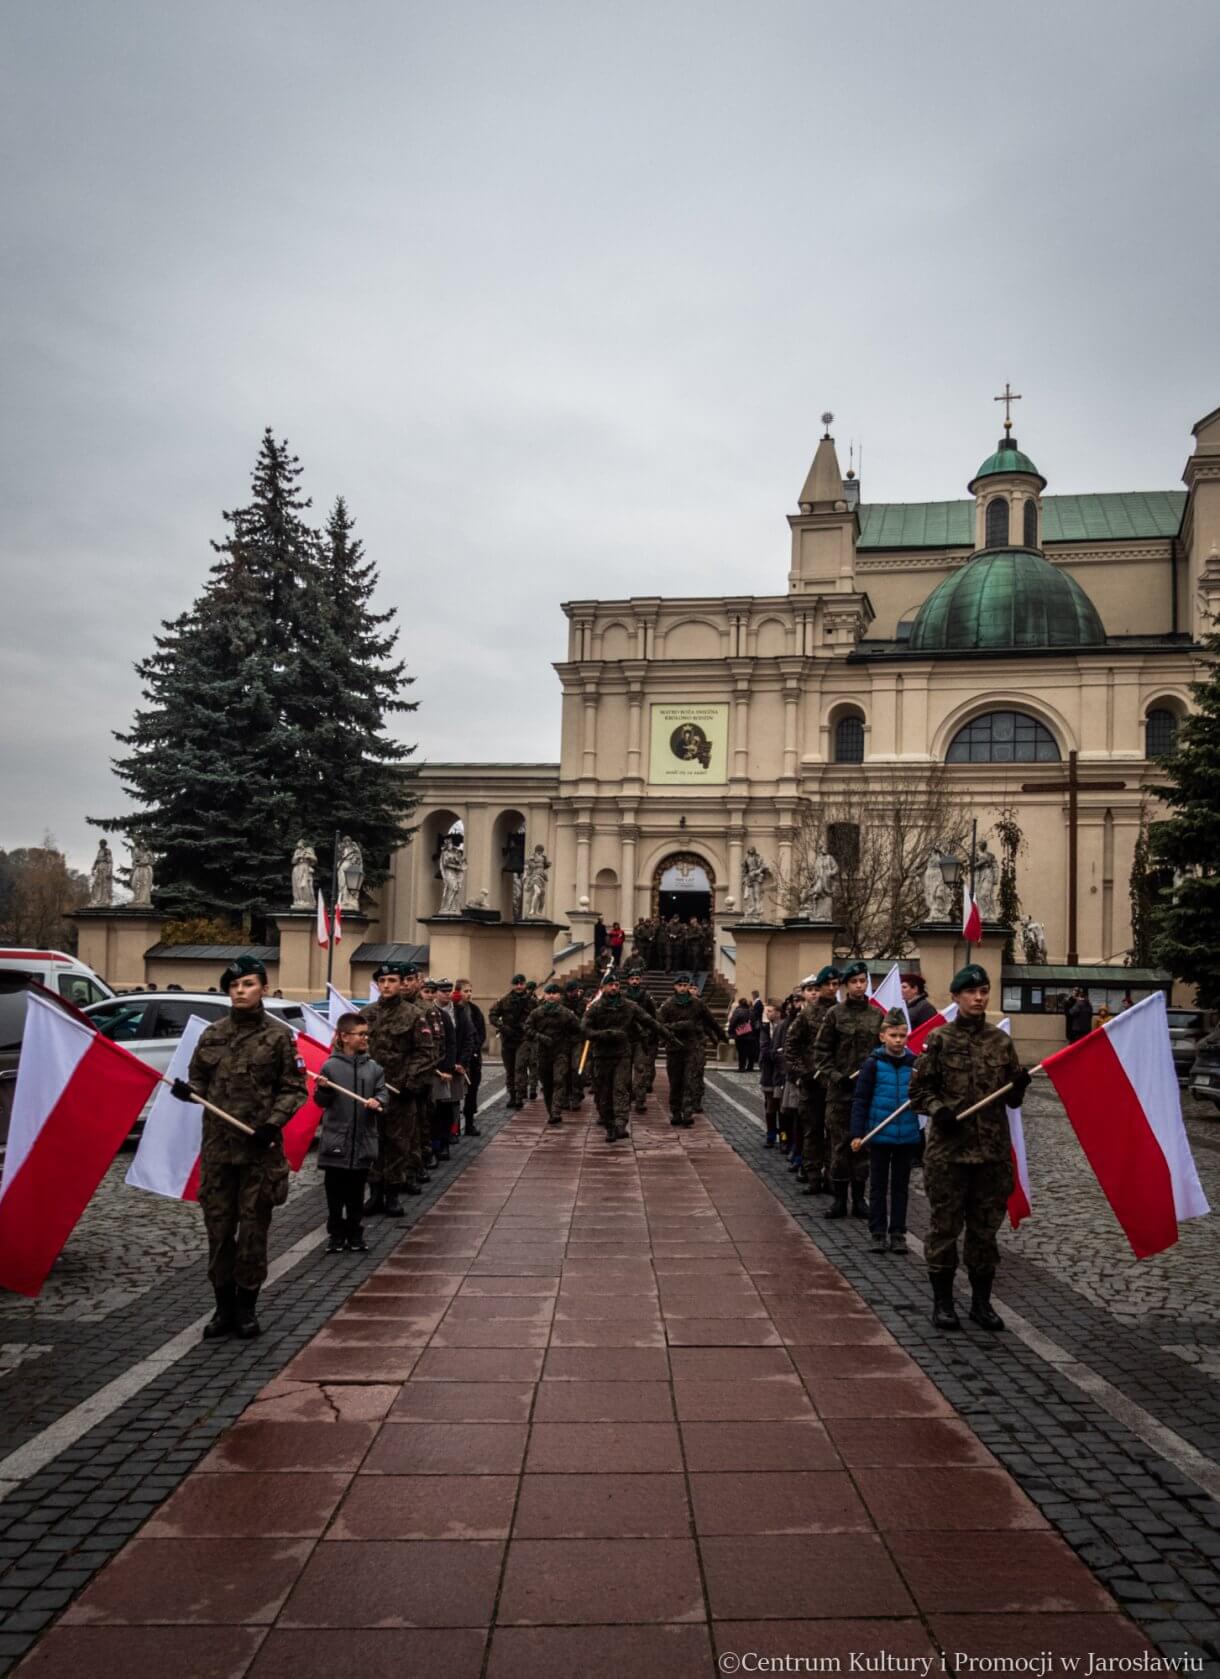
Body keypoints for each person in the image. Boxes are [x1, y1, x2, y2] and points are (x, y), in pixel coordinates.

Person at [184, 956, 306, 1341]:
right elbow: (198, 1078)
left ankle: (247, 1307)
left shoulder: (279, 1037)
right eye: (234, 986)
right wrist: (189, 1092)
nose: (240, 991)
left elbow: (294, 1088)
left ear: (264, 989)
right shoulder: (212, 1035)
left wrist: (272, 1123)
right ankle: (223, 1307)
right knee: (219, 1233)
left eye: (248, 984)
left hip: (259, 1153)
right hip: (219, 1152)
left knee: (252, 1232)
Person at [909, 963, 1029, 1333]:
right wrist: (938, 1110)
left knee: (984, 1233)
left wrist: (1019, 1085)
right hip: (949, 1155)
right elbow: (918, 1091)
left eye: (983, 991)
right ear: (956, 997)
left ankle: (981, 1303)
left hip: (991, 1155)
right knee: (944, 1229)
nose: (979, 998)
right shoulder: (940, 1039)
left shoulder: (1000, 1042)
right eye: (971, 993)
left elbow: (1011, 1100)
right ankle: (943, 1303)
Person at [363, 962, 436, 1209]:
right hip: (371, 1092)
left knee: (398, 1143)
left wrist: (409, 1082)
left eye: (392, 981)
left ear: (401, 983)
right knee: (372, 1142)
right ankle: (374, 1193)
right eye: (382, 981)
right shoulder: (366, 1014)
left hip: (399, 1092)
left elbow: (425, 1052)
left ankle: (393, 1194)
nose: (386, 985)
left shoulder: (413, 1015)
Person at [814, 960, 881, 1220]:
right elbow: (821, 1052)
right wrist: (835, 1076)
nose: (859, 986)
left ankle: (859, 1199)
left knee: (862, 1146)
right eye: (854, 982)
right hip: (840, 1093)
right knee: (840, 1146)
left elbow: (883, 1052)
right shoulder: (835, 1014)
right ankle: (840, 1199)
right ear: (846, 986)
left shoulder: (876, 1016)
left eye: (862, 981)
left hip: (866, 1094)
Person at [314, 1012, 386, 1253]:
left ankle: (355, 1233)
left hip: (363, 1141)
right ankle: (336, 1234)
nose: (366, 1038)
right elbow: (320, 1102)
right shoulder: (330, 1067)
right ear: (344, 1037)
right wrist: (324, 1090)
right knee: (335, 1193)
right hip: (336, 1141)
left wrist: (378, 1100)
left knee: (356, 1193)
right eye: (360, 1034)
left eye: (367, 1034)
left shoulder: (374, 1068)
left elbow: (383, 1092)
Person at [851, 1007, 920, 1254]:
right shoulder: (873, 1064)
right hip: (879, 1134)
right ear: (883, 1037)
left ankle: (898, 1232)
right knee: (878, 1186)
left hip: (906, 1135)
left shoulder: (914, 1065)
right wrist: (857, 1133)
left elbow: (922, 1096)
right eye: (893, 1035)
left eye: (902, 1035)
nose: (898, 1040)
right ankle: (878, 1231)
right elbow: (861, 1099)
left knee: (900, 1187)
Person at [783, 966, 840, 1193]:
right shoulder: (808, 1014)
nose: (831, 988)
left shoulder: (842, 1012)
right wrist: (802, 1073)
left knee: (834, 1133)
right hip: (812, 1083)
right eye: (827, 985)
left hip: (835, 1083)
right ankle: (812, 1174)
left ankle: (831, 1176)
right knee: (812, 1131)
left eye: (835, 984)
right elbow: (791, 1045)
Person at [582, 973, 651, 1141]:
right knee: (603, 1092)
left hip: (622, 1054)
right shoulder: (595, 1008)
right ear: (603, 987)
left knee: (621, 1089)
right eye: (610, 985)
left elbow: (649, 1020)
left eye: (617, 985)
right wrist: (605, 1034)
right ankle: (609, 1125)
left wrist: (667, 1036)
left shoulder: (628, 1005)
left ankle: (620, 1124)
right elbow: (584, 1029)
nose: (614, 987)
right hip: (602, 1055)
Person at [658, 972, 727, 1127]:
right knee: (675, 1082)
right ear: (675, 987)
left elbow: (711, 1021)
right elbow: (659, 1025)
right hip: (674, 1048)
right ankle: (676, 1112)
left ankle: (687, 1112)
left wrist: (721, 1035)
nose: (683, 988)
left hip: (691, 1047)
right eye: (680, 985)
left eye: (686, 985)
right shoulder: (668, 1005)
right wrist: (678, 1026)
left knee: (689, 1081)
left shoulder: (697, 1004)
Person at [524, 981, 584, 1123]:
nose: (551, 996)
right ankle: (551, 1111)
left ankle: (556, 1111)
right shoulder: (537, 1013)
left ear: (559, 996)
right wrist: (540, 1037)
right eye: (549, 993)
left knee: (559, 1080)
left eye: (554, 993)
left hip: (560, 1053)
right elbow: (527, 1028)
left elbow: (578, 1029)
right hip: (543, 1053)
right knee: (547, 1084)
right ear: (544, 995)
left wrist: (568, 1042)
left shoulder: (566, 1013)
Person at [422, 979, 459, 1161]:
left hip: (441, 1071)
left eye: (432, 992)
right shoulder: (416, 1014)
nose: (429, 995)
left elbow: (451, 1043)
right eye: (426, 991)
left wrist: (448, 1069)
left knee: (443, 1109)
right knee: (426, 1113)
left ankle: (442, 1145)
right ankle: (429, 1147)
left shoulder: (442, 1016)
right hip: (423, 1071)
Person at [489, 974, 535, 1107]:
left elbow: (539, 1016)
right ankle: (512, 1096)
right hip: (508, 1039)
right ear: (513, 985)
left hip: (523, 1039)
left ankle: (520, 1096)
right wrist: (502, 1026)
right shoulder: (504, 1000)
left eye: (521, 984)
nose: (519, 986)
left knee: (520, 1067)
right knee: (510, 1070)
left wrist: (529, 1028)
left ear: (525, 984)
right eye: (516, 984)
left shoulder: (531, 1001)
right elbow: (492, 1015)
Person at [624, 971, 659, 1113]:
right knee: (625, 1071)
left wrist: (650, 1033)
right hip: (626, 1039)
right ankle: (626, 1098)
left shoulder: (646, 997)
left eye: (637, 979)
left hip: (641, 1039)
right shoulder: (622, 996)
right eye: (632, 979)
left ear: (641, 980)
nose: (634, 981)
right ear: (628, 981)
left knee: (641, 1070)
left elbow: (653, 1017)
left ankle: (640, 1100)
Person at [455, 977, 485, 1135]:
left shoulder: (475, 1010)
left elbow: (481, 1033)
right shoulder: (453, 1010)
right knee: (454, 1096)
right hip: (457, 1059)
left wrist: (474, 1048)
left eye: (470, 991)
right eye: (465, 991)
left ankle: (469, 1124)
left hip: (473, 1058)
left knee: (472, 1092)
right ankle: (454, 1128)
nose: (469, 994)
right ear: (458, 992)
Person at [759, 1000, 785, 1146]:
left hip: (780, 1072)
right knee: (770, 1105)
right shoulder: (765, 1028)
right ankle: (770, 1134)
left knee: (782, 1107)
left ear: (778, 1013)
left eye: (770, 1011)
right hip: (768, 1071)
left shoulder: (783, 1027)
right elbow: (764, 1049)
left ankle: (784, 1136)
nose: (767, 1014)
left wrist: (777, 1053)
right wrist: (775, 1053)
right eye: (766, 1011)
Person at [563, 980, 588, 1109]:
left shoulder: (584, 1003)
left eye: (574, 991)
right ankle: (565, 1096)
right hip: (563, 1041)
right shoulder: (561, 1004)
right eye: (570, 991)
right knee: (564, 1070)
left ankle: (576, 1095)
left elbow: (586, 1021)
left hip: (578, 1040)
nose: (572, 993)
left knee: (577, 1068)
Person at [729, 997, 755, 1072]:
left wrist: (731, 1032)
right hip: (750, 1034)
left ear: (739, 1003)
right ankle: (750, 1066)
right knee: (750, 1051)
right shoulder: (751, 1011)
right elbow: (754, 1022)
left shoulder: (738, 1011)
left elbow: (733, 1022)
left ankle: (742, 1067)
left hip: (740, 1034)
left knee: (741, 1052)